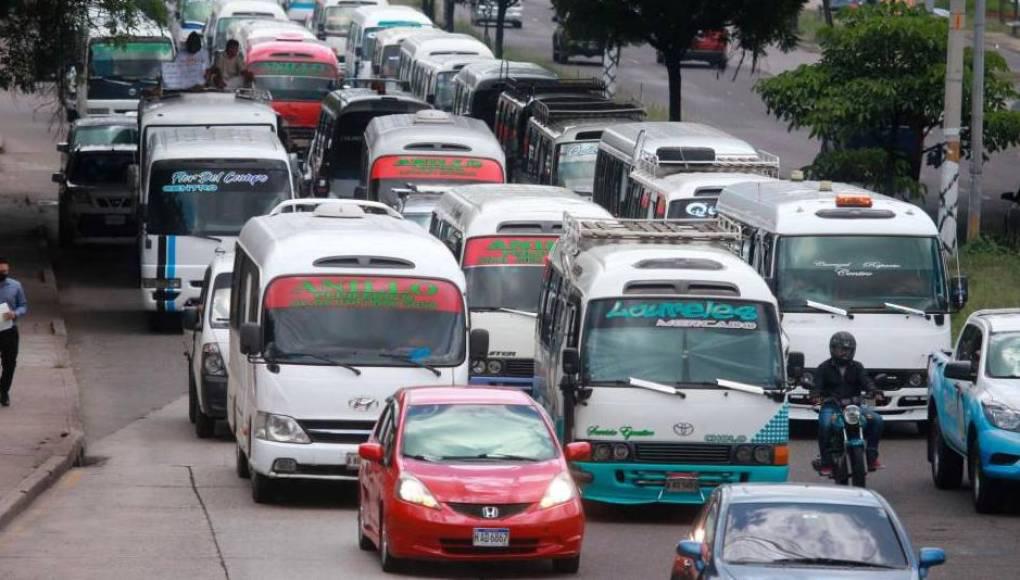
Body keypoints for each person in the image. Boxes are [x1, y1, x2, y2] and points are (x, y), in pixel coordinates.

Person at [812, 331, 884, 474]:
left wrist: (874, 391)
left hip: (854, 407)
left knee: (877, 419)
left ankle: (871, 456)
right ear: (833, 349)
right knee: (824, 424)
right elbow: (816, 390)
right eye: (842, 349)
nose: (846, 353)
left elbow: (866, 381)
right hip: (831, 407)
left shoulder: (857, 366)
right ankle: (826, 461)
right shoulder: (823, 368)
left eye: (849, 350)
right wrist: (818, 404)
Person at [0, 257, 28, 407]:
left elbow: (23, 305)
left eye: (6, 271)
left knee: (9, 363)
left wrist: (15, 313)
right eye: (1, 272)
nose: (3, 274)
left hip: (9, 330)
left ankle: (3, 391)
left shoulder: (15, 286)